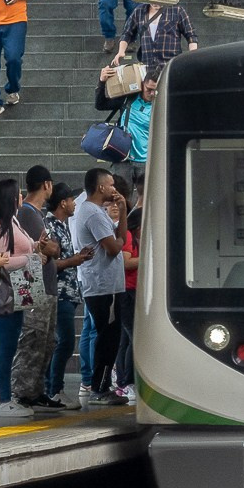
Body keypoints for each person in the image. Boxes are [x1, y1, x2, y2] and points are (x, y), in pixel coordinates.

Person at [0, 178, 40, 420]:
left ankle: (8, 396)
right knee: (6, 346)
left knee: (12, 342)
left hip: (20, 290)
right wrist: (31, 259)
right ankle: (4, 399)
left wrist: (36, 247)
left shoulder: (12, 222)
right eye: (18, 194)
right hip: (9, 291)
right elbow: (1, 260)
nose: (21, 197)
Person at [73, 168, 129, 406]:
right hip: (103, 286)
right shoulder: (92, 213)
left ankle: (101, 386)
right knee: (107, 338)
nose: (114, 188)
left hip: (108, 285)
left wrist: (124, 211)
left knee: (111, 336)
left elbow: (120, 237)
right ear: (101, 187)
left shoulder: (97, 211)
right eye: (111, 184)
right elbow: (115, 247)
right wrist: (118, 241)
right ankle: (100, 387)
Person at [8, 166, 63, 411]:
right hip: (31, 284)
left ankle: (36, 390)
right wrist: (51, 247)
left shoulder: (35, 213)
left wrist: (52, 248)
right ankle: (22, 391)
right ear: (47, 185)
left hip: (44, 284)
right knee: (33, 339)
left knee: (46, 341)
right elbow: (50, 248)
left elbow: (52, 248)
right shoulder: (28, 213)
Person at [42, 183, 91, 408]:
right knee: (64, 341)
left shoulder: (63, 225)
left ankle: (51, 387)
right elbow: (51, 264)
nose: (74, 204)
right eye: (72, 200)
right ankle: (54, 388)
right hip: (59, 291)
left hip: (69, 291)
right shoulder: (51, 226)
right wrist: (74, 260)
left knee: (62, 341)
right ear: (63, 202)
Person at [95, 66, 159, 171]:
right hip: (123, 158)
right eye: (149, 89)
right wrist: (101, 82)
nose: (151, 94)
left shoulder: (160, 105)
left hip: (146, 160)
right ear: (142, 85)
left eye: (155, 90)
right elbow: (100, 105)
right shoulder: (128, 99)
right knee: (122, 187)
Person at [116, 0, 197, 71]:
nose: (155, 4)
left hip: (170, 64)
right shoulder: (139, 11)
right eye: (152, 1)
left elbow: (191, 34)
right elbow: (127, 33)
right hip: (148, 63)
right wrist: (121, 51)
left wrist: (192, 55)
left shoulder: (177, 10)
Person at [116, 206, 141, 394]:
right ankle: (127, 381)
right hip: (127, 291)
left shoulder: (135, 238)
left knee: (126, 339)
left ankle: (124, 382)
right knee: (134, 338)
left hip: (132, 290)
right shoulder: (129, 238)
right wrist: (147, 258)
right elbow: (125, 262)